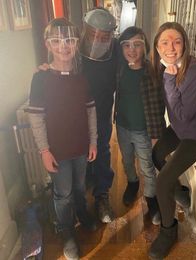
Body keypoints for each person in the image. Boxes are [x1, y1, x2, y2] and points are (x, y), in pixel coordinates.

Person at [27, 18, 97, 260]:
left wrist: (94, 141)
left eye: (69, 40)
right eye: (57, 41)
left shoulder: (81, 77)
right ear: (48, 44)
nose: (63, 46)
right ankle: (67, 231)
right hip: (56, 149)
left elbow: (90, 110)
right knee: (63, 192)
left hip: (80, 145)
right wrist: (44, 151)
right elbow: (36, 118)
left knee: (79, 186)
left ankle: (82, 213)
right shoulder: (40, 79)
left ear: (76, 44)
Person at [149, 22, 196, 259]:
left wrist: (169, 80)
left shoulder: (194, 70)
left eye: (176, 41)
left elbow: (183, 115)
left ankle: (168, 232)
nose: (171, 47)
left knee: (162, 182)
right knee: (156, 155)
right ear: (157, 47)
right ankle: (180, 191)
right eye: (164, 42)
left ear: (185, 44)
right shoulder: (164, 66)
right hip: (180, 128)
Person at [114, 26, 166, 225]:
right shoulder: (119, 69)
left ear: (145, 47)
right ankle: (132, 183)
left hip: (144, 130)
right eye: (126, 45)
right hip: (122, 127)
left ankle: (151, 199)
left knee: (147, 166)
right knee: (127, 160)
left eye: (137, 44)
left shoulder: (154, 70)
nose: (132, 49)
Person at [79, 8, 117, 223]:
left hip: (102, 111)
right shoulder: (73, 50)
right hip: (76, 113)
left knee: (102, 149)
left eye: (104, 37)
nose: (98, 40)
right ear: (85, 30)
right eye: (93, 34)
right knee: (78, 152)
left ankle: (102, 194)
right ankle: (80, 195)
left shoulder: (116, 51)